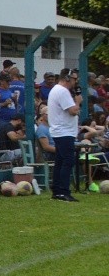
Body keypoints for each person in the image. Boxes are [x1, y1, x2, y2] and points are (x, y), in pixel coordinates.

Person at [47, 69, 81, 201]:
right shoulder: (62, 91)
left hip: (60, 131)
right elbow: (72, 111)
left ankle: (57, 190)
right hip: (64, 131)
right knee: (68, 160)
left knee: (60, 161)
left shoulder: (56, 90)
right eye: (74, 79)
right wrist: (77, 101)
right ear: (67, 78)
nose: (75, 82)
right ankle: (63, 191)